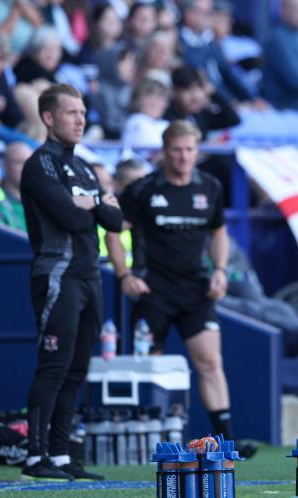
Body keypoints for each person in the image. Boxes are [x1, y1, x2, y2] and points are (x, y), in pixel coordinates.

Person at [105, 120, 255, 458]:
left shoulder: (209, 187)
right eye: (176, 150)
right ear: (164, 151)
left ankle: (226, 441)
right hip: (152, 290)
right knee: (149, 366)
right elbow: (114, 232)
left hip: (196, 290)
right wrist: (124, 274)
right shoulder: (142, 189)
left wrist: (220, 270)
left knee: (210, 362)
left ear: (197, 151)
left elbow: (218, 233)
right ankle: (145, 442)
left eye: (189, 150)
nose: (183, 157)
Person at [20, 83, 123, 481]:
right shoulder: (40, 164)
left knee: (78, 368)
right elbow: (70, 217)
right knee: (53, 367)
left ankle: (61, 454)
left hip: (89, 275)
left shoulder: (83, 168)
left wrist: (90, 203)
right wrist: (94, 204)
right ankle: (35, 456)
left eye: (82, 113)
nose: (81, 120)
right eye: (71, 113)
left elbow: (115, 220)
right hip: (58, 274)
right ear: (48, 118)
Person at [260, 0, 298, 110]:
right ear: (283, 11)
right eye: (297, 10)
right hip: (284, 107)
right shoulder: (277, 39)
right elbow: (296, 80)